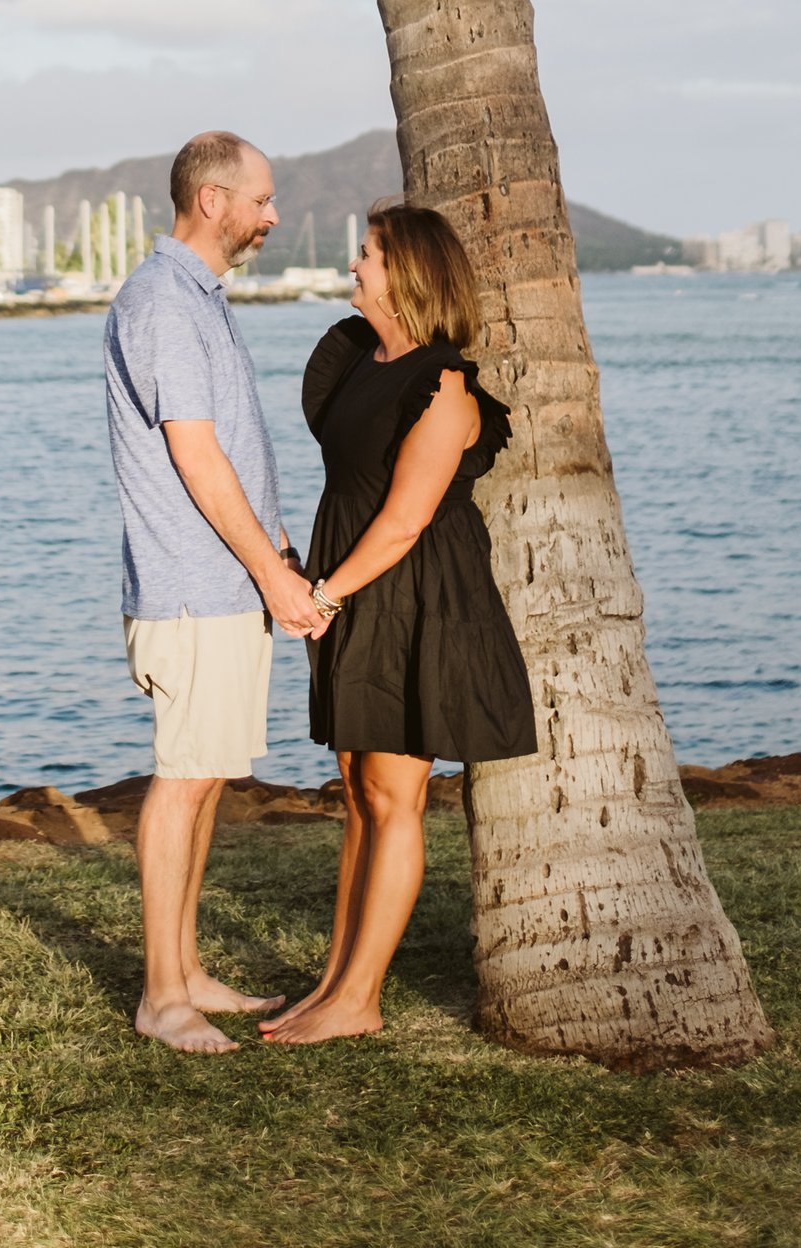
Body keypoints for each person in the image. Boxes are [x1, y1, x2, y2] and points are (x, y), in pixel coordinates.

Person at [261, 201, 538, 1046]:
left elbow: (407, 519)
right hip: (351, 579)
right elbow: (350, 482)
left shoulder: (443, 383)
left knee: (393, 794)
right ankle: (335, 983)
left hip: (413, 592)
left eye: (369, 255)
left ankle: (361, 1001)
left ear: (408, 273)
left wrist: (326, 595)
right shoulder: (353, 356)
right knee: (356, 789)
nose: (354, 266)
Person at [103, 128, 328, 1053]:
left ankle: (187, 969)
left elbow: (228, 448)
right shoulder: (163, 301)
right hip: (194, 587)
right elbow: (194, 455)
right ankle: (162, 999)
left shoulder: (198, 296)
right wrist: (271, 571)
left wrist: (278, 548)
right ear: (212, 201)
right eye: (262, 199)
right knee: (183, 781)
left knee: (205, 782)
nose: (272, 215)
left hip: (226, 580)